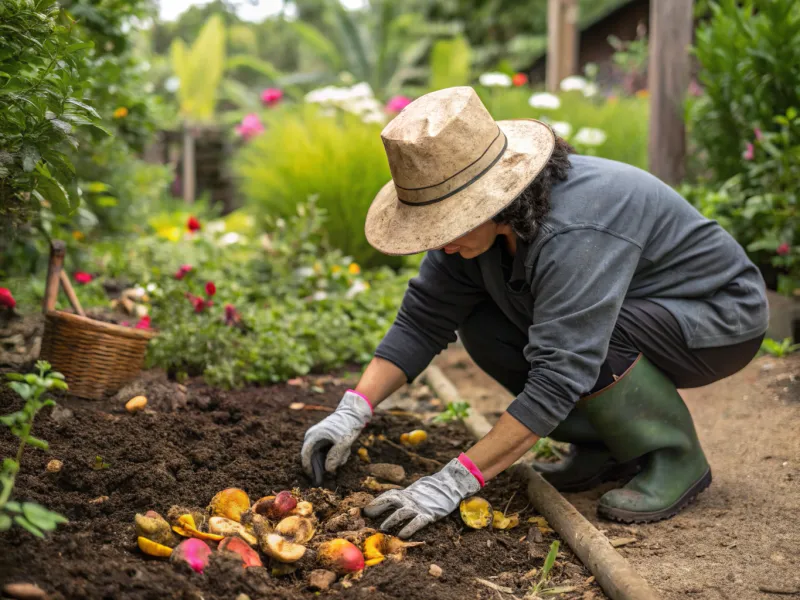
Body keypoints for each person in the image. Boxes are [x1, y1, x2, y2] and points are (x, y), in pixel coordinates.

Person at [300, 87, 768, 539]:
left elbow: (562, 369)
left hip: (716, 314)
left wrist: (456, 480)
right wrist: (352, 410)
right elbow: (423, 318)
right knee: (484, 324)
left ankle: (674, 456)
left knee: (587, 339)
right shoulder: (477, 230)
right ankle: (605, 446)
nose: (440, 241)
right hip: (637, 311)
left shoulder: (574, 227)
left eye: (446, 222)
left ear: (493, 197)